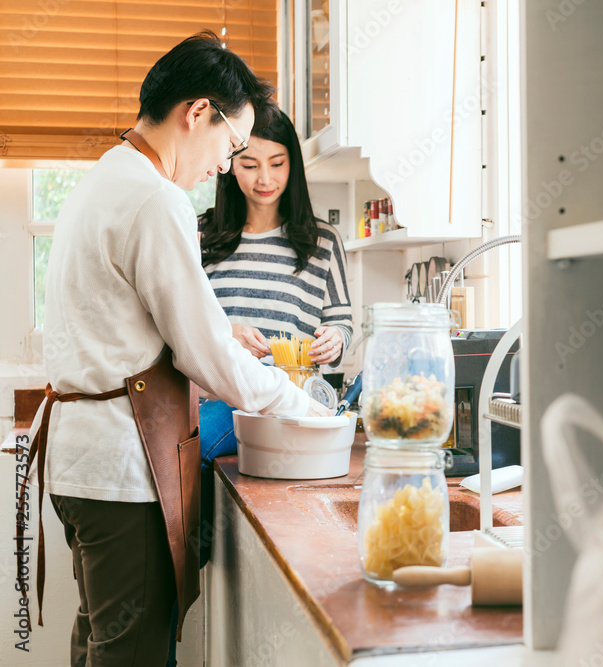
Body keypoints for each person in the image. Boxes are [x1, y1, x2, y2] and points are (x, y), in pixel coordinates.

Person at [22, 32, 329, 667]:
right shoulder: (155, 197)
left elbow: (158, 327)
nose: (226, 165)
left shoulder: (108, 174)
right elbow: (207, 356)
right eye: (231, 144)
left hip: (84, 465)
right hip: (122, 468)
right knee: (131, 655)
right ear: (197, 113)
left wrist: (217, 334)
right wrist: (304, 406)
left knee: (102, 645)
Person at [163, 103, 354, 665]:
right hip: (213, 407)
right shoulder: (201, 234)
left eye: (277, 163)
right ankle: (168, 592)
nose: (264, 179)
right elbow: (178, 325)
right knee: (178, 527)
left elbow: (341, 321)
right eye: (248, 164)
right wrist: (225, 329)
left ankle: (166, 586)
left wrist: (334, 342)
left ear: (294, 164)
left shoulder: (321, 241)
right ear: (228, 164)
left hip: (283, 415)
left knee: (173, 540)